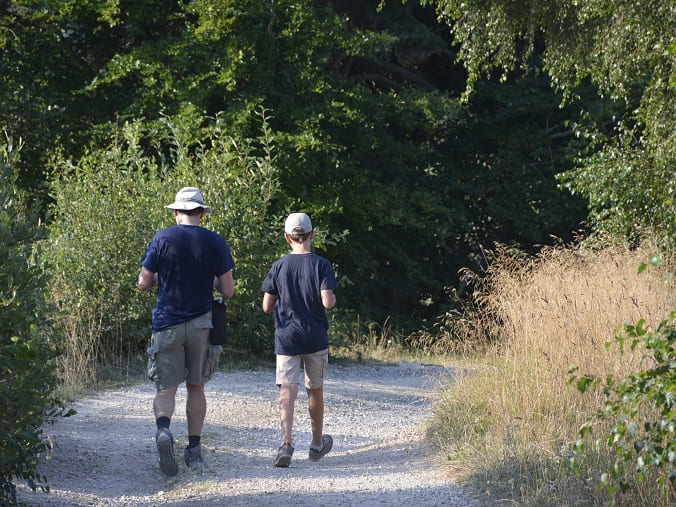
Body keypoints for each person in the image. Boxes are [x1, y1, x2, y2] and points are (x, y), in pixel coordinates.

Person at [137, 187, 235, 476]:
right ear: (202, 213)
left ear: (176, 212)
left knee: (166, 388)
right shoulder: (216, 242)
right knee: (196, 385)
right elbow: (227, 290)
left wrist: (157, 279)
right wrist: (212, 280)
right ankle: (194, 451)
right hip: (202, 324)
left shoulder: (162, 238)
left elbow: (144, 283)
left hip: (166, 322)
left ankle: (164, 430)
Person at [260, 212, 337, 467]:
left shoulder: (279, 266)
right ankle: (316, 444)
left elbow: (266, 306)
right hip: (314, 337)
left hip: (287, 336)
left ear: (287, 238)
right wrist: (331, 298)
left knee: (287, 388)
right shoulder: (322, 264)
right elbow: (327, 301)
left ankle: (286, 444)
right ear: (312, 235)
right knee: (314, 388)